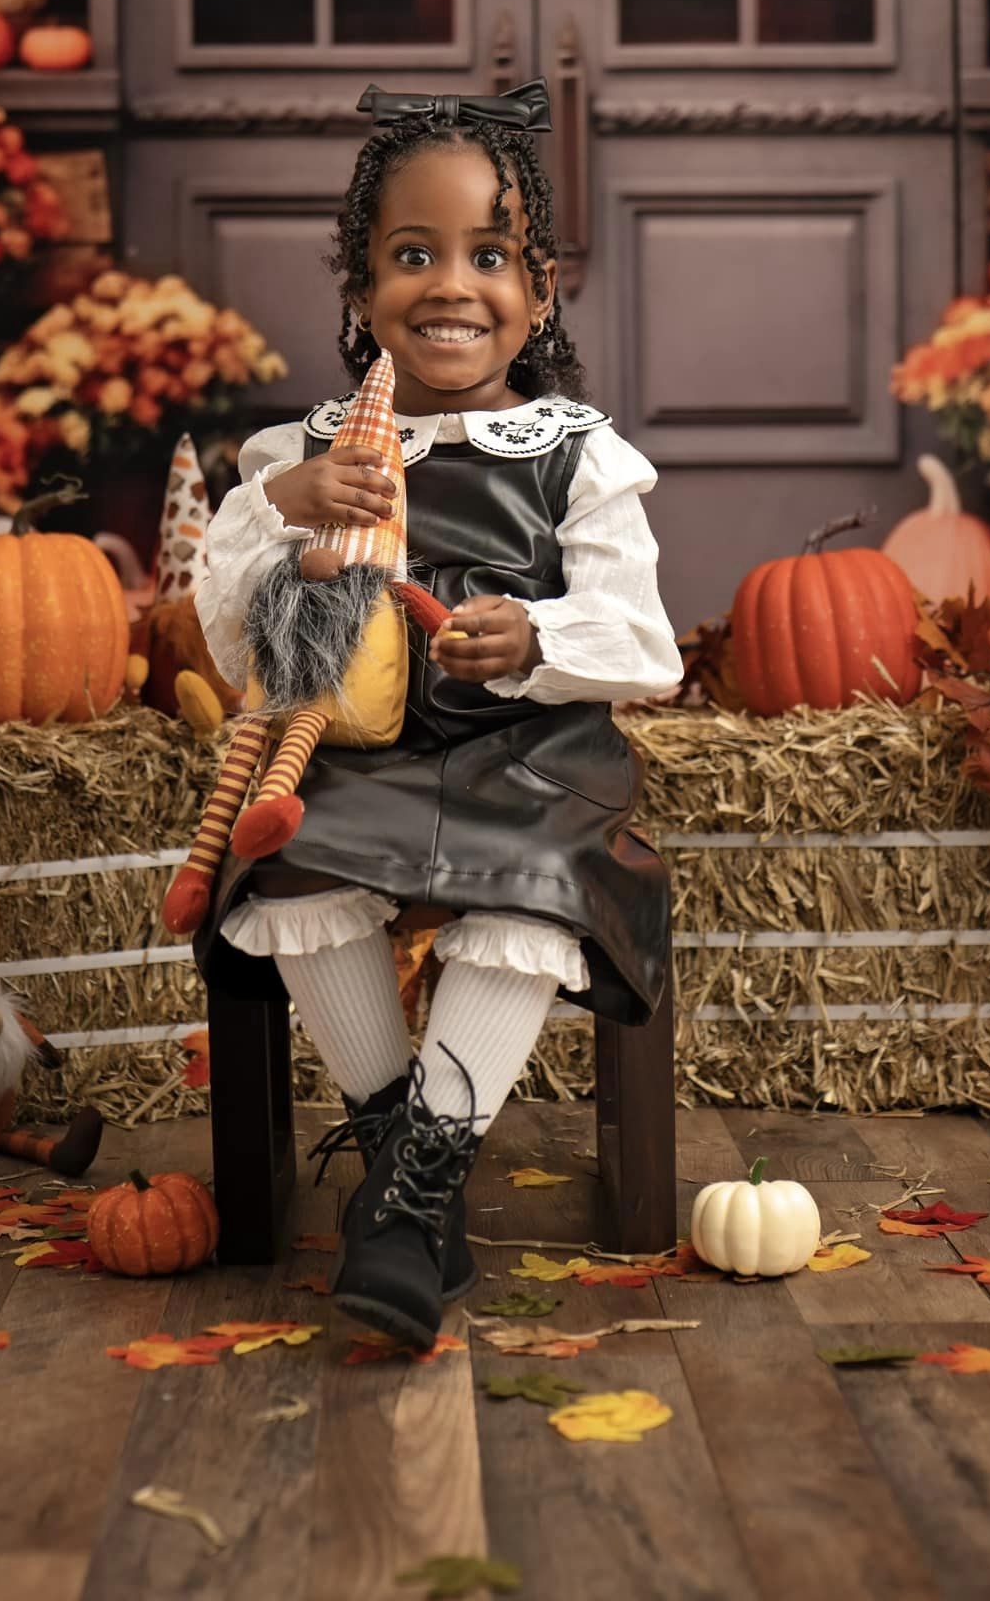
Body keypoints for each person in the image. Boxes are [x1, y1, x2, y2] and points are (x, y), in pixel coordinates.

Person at [190, 79, 684, 1347]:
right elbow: (231, 633)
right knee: (290, 858)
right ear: (361, 291)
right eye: (412, 255)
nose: (451, 285)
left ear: (540, 290)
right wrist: (290, 511)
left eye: (489, 256)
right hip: (363, 752)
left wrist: (539, 639)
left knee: (525, 887)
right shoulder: (303, 453)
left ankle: (410, 1193)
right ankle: (408, 1169)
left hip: (532, 755)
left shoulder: (576, 453)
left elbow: (643, 641)